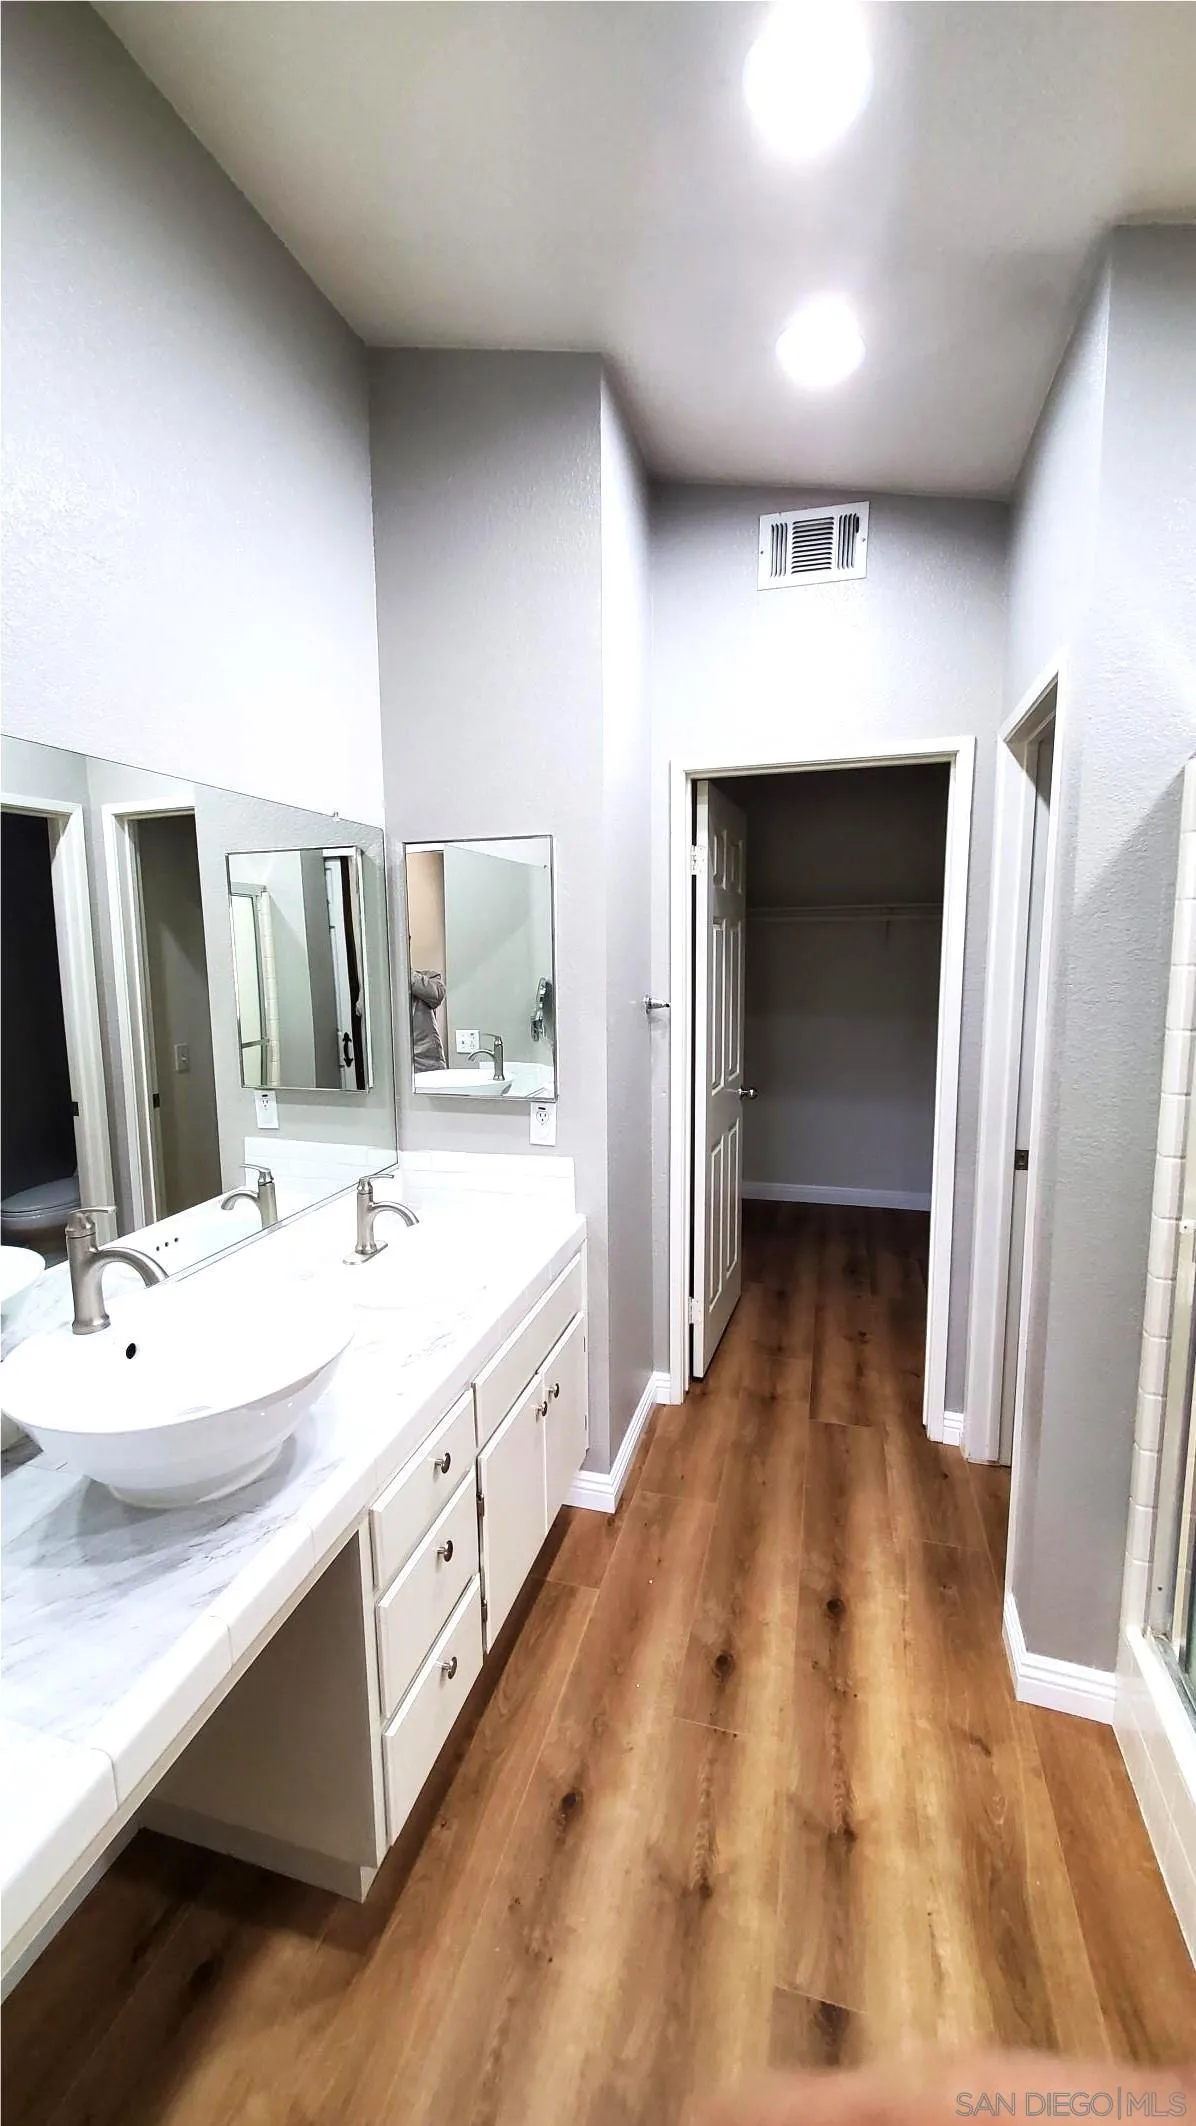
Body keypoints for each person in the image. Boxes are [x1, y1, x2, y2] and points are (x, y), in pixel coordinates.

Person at [410, 968, 447, 1071]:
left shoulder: (429, 977)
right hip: (392, 1067)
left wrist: (405, 972)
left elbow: (437, 995)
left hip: (426, 1064)